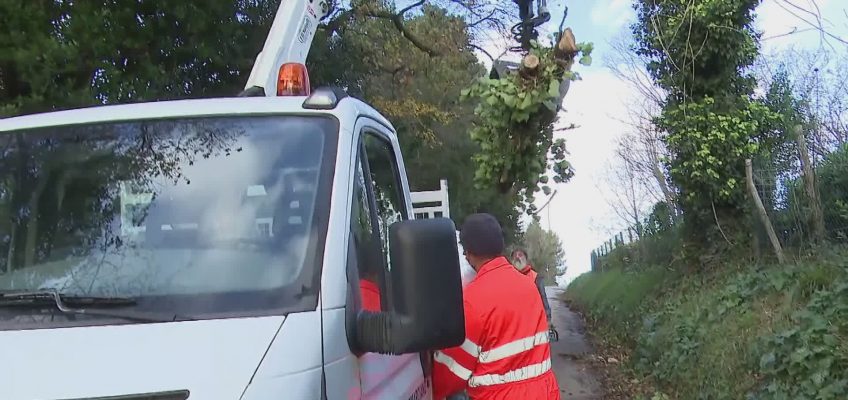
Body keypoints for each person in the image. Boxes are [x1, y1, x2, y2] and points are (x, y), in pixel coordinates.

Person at [433, 213, 560, 400]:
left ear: (467, 253)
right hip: (546, 393)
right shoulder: (528, 285)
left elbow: (451, 374)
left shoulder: (472, 299)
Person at [511, 248, 553, 329]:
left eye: (520, 255)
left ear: (526, 259)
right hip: (515, 323)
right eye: (514, 256)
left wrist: (548, 318)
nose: (517, 257)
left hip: (534, 322)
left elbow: (543, 298)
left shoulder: (535, 277)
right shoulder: (509, 278)